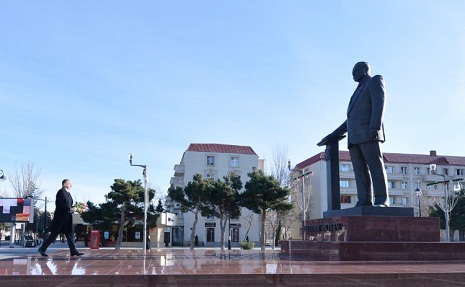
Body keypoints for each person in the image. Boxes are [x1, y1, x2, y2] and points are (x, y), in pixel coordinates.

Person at [322, 62, 389, 207]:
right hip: (354, 138)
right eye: (352, 72)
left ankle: (382, 200)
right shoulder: (356, 91)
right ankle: (364, 200)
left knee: (375, 166)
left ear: (365, 70)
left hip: (369, 132)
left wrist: (375, 126)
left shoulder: (374, 81)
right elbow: (351, 119)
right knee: (359, 170)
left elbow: (379, 104)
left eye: (356, 71)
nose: (353, 74)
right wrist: (333, 134)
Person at [38, 179, 83, 257]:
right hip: (60, 219)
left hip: (67, 218)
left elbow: (69, 205)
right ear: (65, 184)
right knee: (54, 234)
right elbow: (59, 204)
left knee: (69, 234)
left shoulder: (68, 194)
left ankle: (73, 250)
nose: (71, 186)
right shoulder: (61, 192)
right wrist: (69, 209)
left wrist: (75, 208)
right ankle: (42, 249)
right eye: (70, 184)